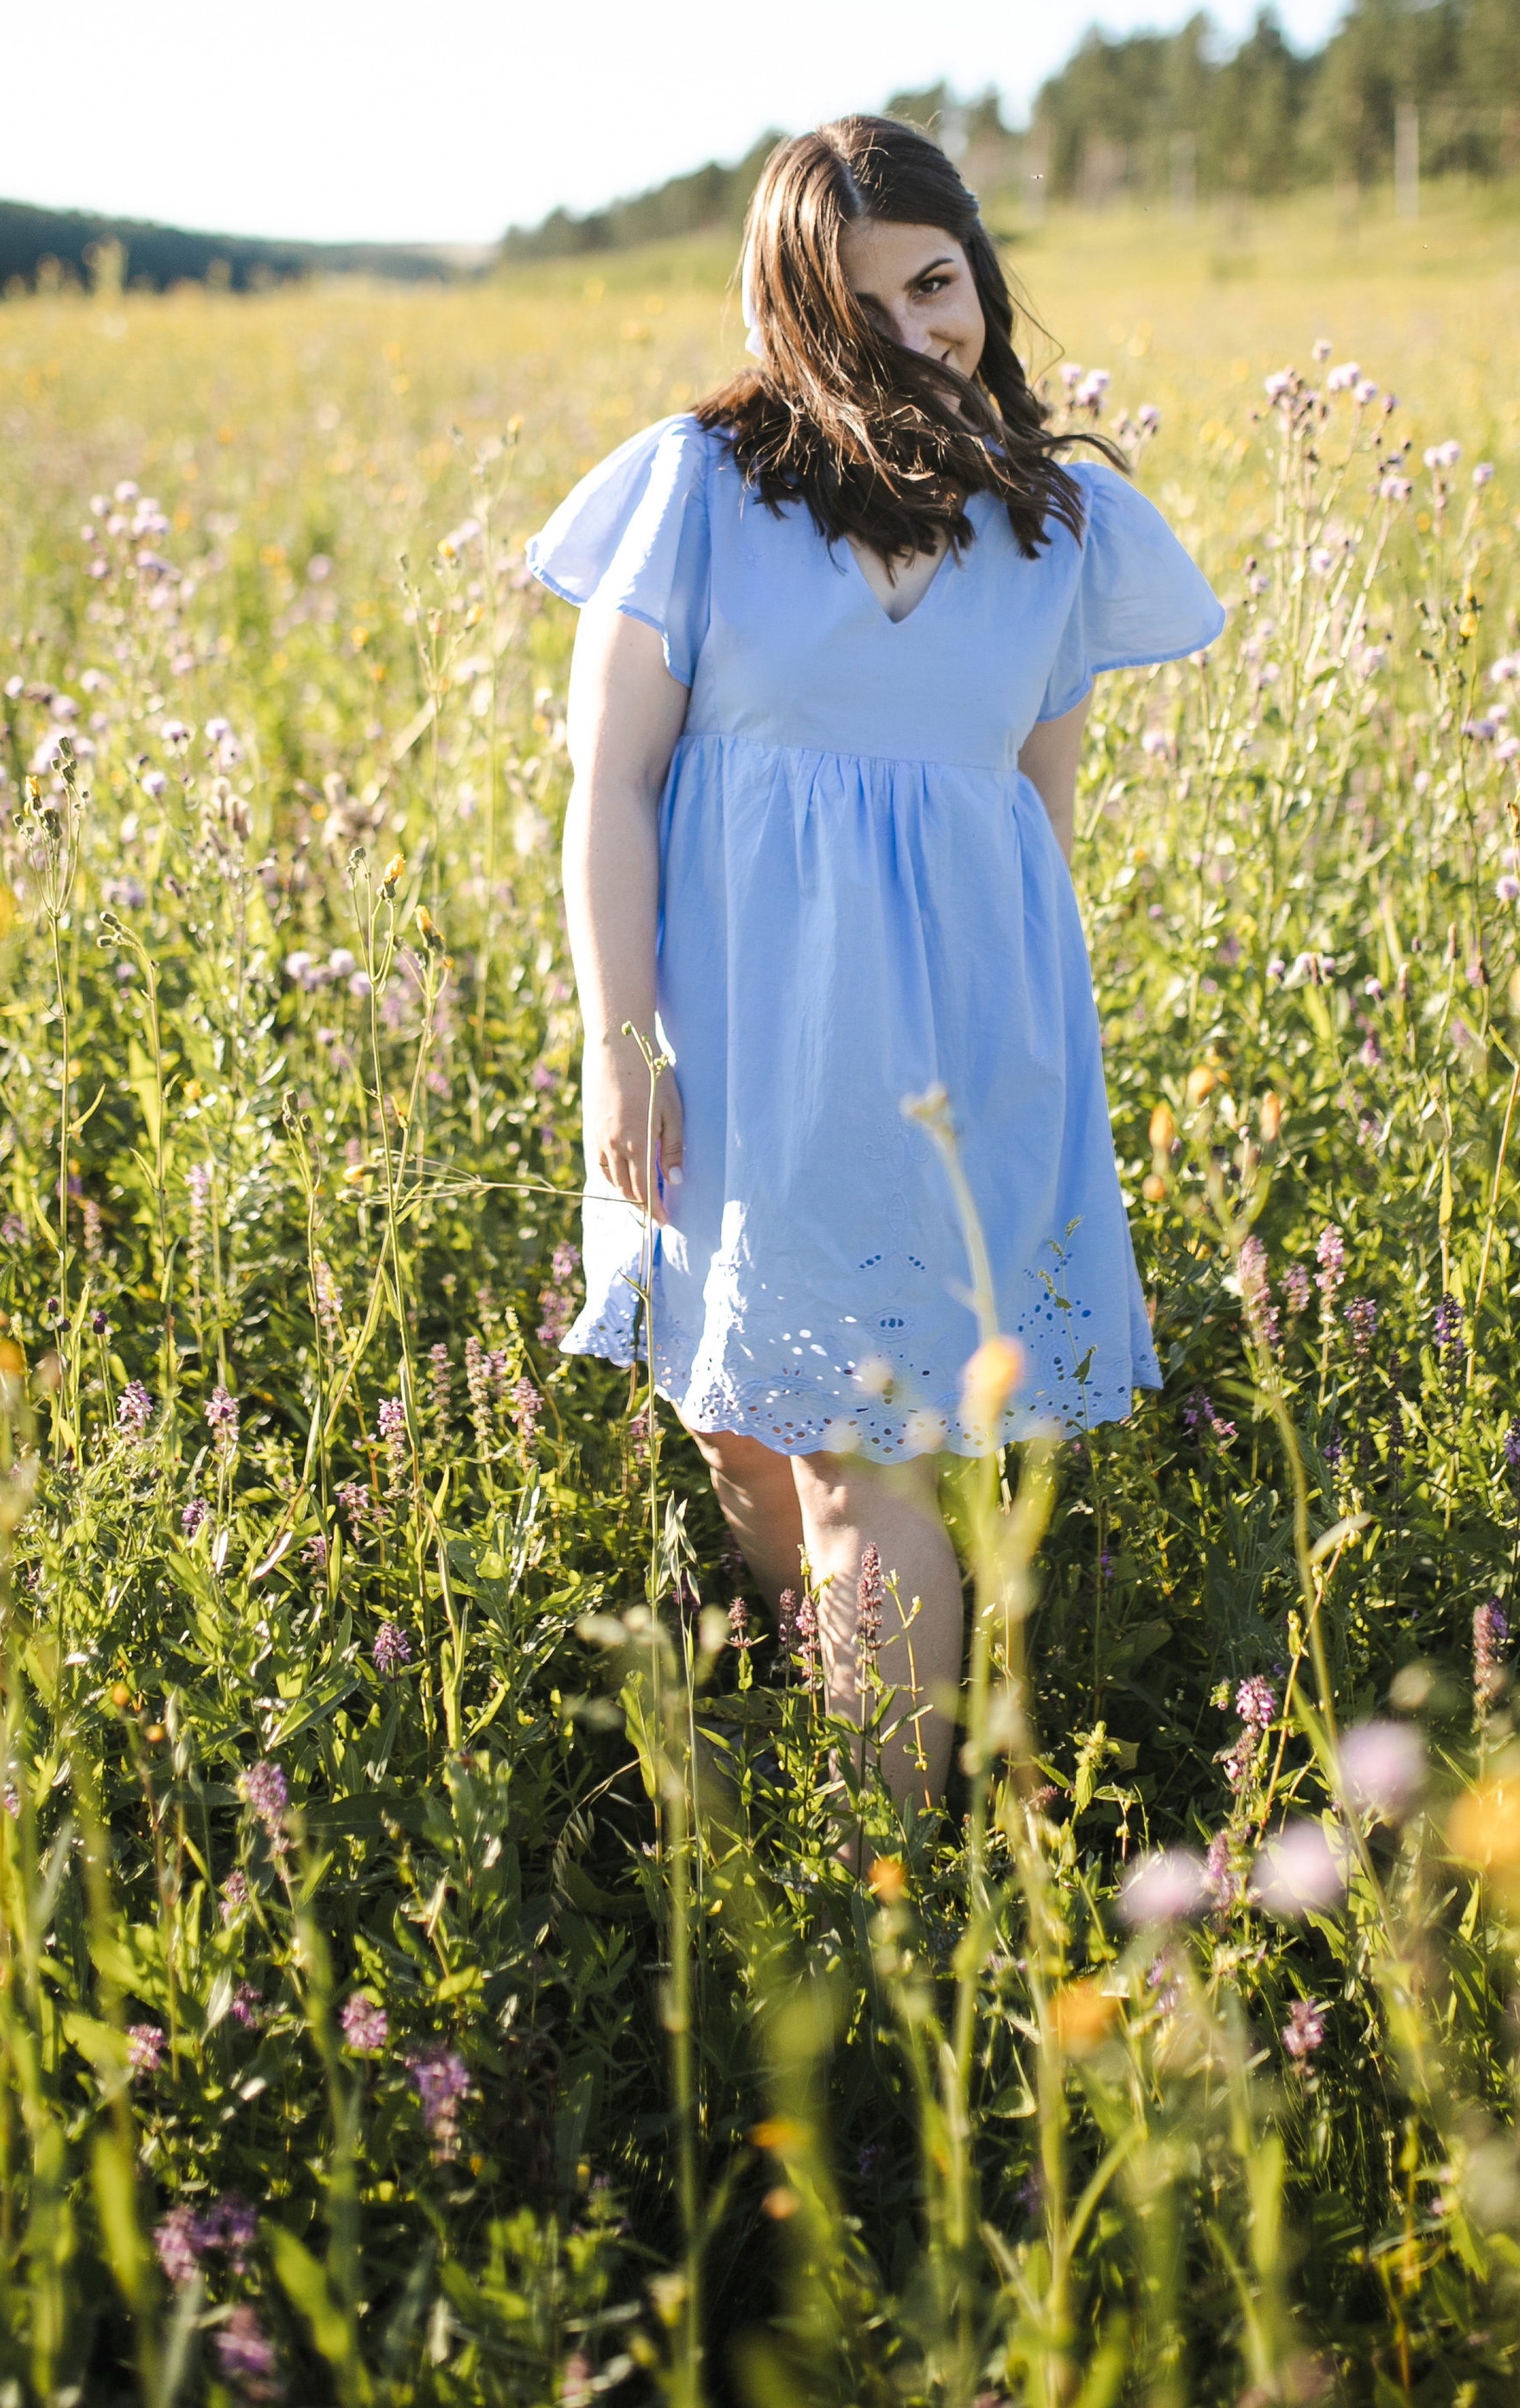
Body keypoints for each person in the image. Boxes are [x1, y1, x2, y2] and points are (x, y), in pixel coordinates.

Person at [525, 115, 1222, 1807]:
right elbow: (608, 781)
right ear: (791, 314)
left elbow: (1030, 821)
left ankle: (888, 1892)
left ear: (978, 273)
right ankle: (839, 1695)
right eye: (864, 303)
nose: (919, 328)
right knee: (735, 1414)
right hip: (728, 1041)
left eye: (939, 280)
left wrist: (1017, 1084)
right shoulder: (699, 485)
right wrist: (622, 1043)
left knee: (855, 1471)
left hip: (948, 1056)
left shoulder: (1062, 524)